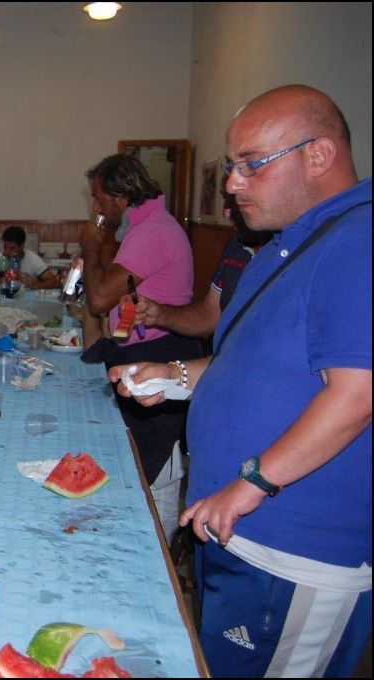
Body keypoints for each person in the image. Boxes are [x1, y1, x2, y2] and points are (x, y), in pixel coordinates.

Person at [111, 85, 371, 678]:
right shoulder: (281, 248)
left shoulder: (360, 240)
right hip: (237, 531)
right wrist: (175, 374)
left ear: (319, 155)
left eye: (251, 164)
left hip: (296, 549)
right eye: (232, 166)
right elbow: (248, 365)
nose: (231, 183)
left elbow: (358, 393)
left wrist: (252, 483)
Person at [79, 154, 204, 546]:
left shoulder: (153, 233)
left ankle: (159, 555)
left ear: (120, 195)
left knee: (157, 475)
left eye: (99, 198)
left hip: (163, 356)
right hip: (140, 352)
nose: (96, 207)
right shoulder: (141, 228)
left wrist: (92, 247)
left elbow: (100, 298)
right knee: (136, 464)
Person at [126, 195, 271, 338]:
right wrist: (159, 314)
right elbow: (210, 313)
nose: (226, 213)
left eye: (237, 201)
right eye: (227, 199)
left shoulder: (285, 258)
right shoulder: (236, 247)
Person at [0, 225, 59, 290]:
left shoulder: (32, 258)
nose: (7, 252)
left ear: (22, 246)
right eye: (5, 247)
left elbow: (54, 282)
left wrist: (35, 284)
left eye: (12, 248)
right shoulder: (1, 258)